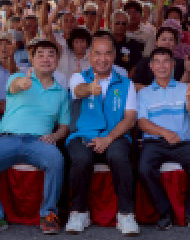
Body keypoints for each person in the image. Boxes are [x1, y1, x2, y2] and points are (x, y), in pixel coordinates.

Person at [0, 38, 70, 235]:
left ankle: (49, 213)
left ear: (57, 60)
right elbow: (14, 86)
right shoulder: (17, 77)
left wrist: (55, 136)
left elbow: (64, 126)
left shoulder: (61, 92)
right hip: (8, 139)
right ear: (31, 60)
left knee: (56, 160)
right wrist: (22, 84)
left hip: (39, 142)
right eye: (40, 55)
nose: (46, 59)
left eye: (51, 55)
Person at [65, 32, 140, 235]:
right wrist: (90, 88)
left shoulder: (126, 83)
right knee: (81, 159)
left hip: (114, 136)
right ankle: (79, 212)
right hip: (82, 135)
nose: (102, 58)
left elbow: (130, 119)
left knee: (119, 156)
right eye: (97, 53)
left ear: (114, 56)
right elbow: (78, 91)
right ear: (89, 56)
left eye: (107, 53)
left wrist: (108, 138)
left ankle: (125, 214)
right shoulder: (78, 77)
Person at [137, 47, 190, 230]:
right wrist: (164, 133)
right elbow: (142, 123)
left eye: (166, 61)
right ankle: (164, 212)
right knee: (144, 168)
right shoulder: (143, 93)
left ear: (173, 65)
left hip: (181, 143)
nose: (162, 66)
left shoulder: (186, 88)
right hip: (154, 143)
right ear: (151, 66)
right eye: (157, 62)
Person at [111, 10, 144, 76]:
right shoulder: (104, 41)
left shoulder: (133, 44)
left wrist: (126, 79)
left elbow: (136, 65)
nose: (120, 26)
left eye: (123, 23)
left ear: (127, 26)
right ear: (111, 23)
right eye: (117, 23)